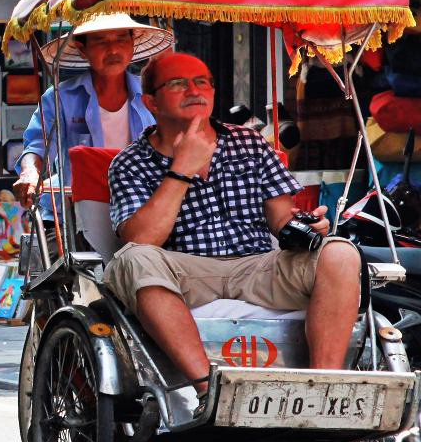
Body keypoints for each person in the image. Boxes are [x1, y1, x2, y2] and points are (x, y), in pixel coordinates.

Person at [104, 52, 360, 410]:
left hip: (258, 265)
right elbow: (142, 238)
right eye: (177, 84)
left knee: (340, 253)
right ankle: (209, 390)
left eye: (202, 82)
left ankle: (325, 393)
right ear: (150, 102)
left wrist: (308, 224)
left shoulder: (250, 144)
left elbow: (282, 219)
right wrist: (182, 169)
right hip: (184, 273)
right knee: (133, 258)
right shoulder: (130, 161)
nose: (194, 91)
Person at [13, 14, 173, 214]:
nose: (113, 49)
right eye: (101, 41)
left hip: (143, 208)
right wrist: (29, 173)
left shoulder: (152, 95)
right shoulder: (60, 97)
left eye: (121, 39)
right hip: (74, 211)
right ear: (82, 50)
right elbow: (37, 147)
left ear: (132, 44)